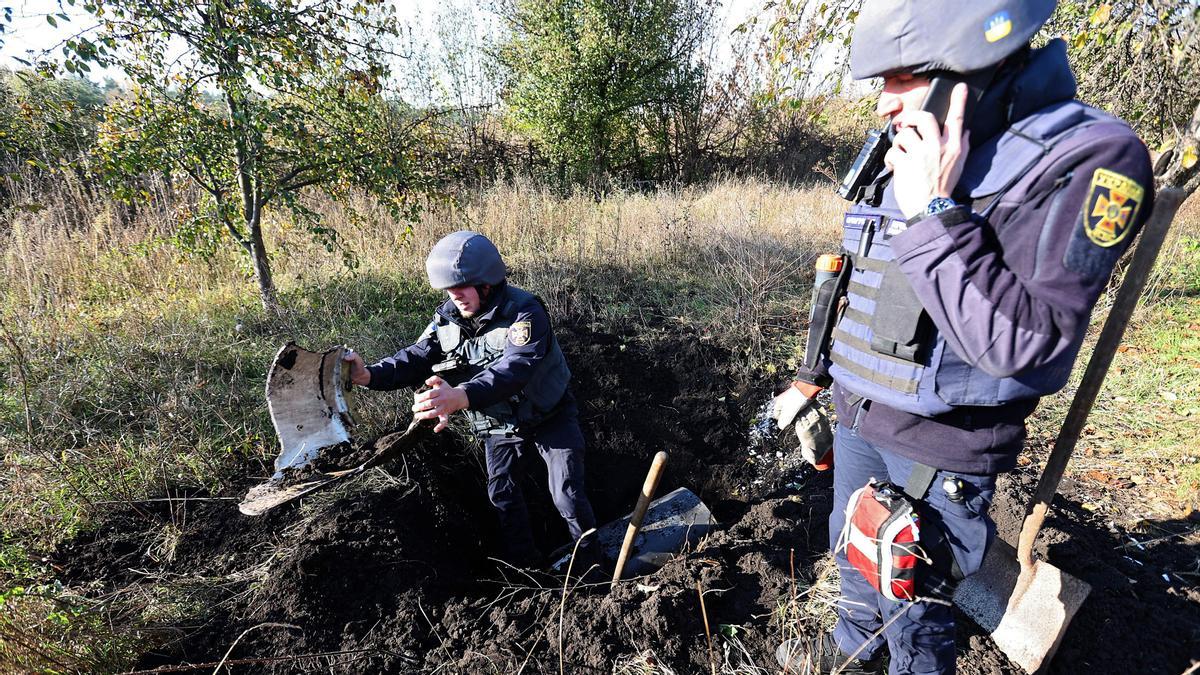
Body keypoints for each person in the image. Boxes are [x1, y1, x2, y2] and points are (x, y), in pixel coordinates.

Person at [770, 1, 1154, 673]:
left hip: (938, 446)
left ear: (968, 66)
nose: (884, 103)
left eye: (901, 78)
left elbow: (1023, 345)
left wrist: (935, 213)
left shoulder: (1090, 157)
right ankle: (845, 658)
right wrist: (814, 372)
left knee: (913, 607)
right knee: (854, 568)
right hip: (859, 416)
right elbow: (856, 271)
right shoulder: (912, 138)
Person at [343, 230, 597, 569]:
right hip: (498, 426)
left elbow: (514, 369)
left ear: (487, 283)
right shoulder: (447, 317)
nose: (455, 296)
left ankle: (592, 563)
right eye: (449, 289)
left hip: (549, 415)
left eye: (461, 287)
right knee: (503, 497)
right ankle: (527, 570)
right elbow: (417, 356)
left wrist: (460, 396)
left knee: (567, 494)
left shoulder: (525, 312)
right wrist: (368, 375)